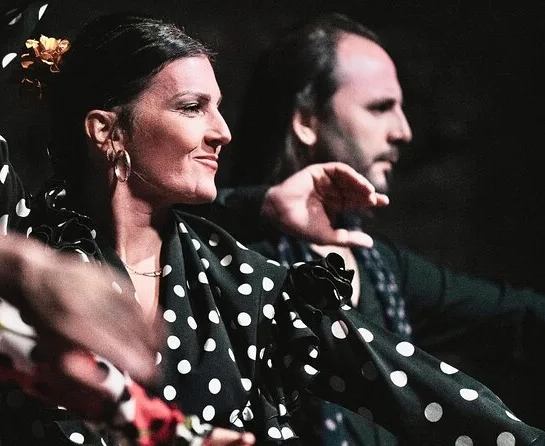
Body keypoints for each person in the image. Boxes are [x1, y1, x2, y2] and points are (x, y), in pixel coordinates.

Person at [0, 2, 545, 444]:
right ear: (107, 131)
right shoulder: (23, 244)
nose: (223, 131)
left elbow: (414, 389)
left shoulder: (242, 283)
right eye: (193, 107)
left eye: (219, 107)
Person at [221, 12, 545, 444]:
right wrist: (261, 204)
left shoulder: (380, 267)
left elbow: (517, 319)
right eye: (379, 108)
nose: (404, 131)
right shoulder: (224, 254)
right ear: (306, 121)